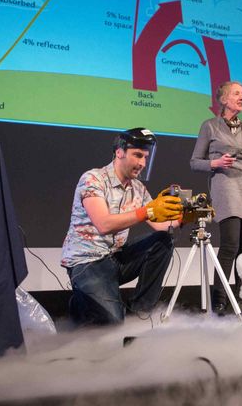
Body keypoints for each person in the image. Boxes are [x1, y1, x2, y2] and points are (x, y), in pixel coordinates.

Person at [61, 127, 184, 326]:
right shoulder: (93, 179)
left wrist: (184, 217)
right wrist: (146, 211)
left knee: (164, 241)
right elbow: (103, 224)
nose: (142, 163)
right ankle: (83, 303)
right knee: (113, 325)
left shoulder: (138, 188)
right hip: (87, 263)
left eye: (145, 157)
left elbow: (160, 226)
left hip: (115, 258)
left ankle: (139, 311)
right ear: (119, 152)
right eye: (137, 155)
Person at [190, 81, 242, 315]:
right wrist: (214, 163)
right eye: (237, 93)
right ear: (224, 99)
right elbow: (194, 162)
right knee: (230, 245)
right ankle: (220, 300)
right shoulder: (210, 126)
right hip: (226, 185)